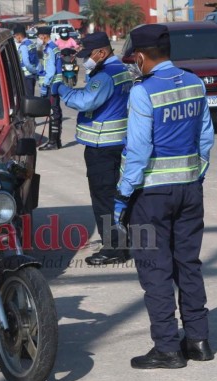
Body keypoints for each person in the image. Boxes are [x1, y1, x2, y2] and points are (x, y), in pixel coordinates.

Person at [116, 24, 215, 369]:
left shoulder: (143, 92)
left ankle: (168, 348)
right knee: (188, 264)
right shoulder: (194, 82)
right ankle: (199, 341)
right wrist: (196, 174)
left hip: (152, 195)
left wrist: (123, 194)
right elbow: (205, 137)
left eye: (135, 60)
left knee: (154, 269)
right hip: (190, 189)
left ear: (141, 57)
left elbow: (138, 152)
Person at [57, 32, 133, 265]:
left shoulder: (106, 75)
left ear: (101, 52)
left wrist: (60, 89)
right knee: (113, 196)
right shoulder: (118, 70)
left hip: (102, 145)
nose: (84, 60)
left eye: (88, 55)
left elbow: (85, 102)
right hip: (115, 142)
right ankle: (120, 242)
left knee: (104, 198)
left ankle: (113, 249)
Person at [36, 25, 63, 151]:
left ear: (44, 36)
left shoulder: (50, 49)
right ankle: (57, 140)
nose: (38, 38)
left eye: (39, 36)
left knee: (53, 112)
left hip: (52, 84)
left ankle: (53, 142)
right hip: (55, 83)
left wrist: (45, 84)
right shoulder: (52, 47)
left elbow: (51, 70)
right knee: (56, 111)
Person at [13, 25, 39, 97]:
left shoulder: (23, 46)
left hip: (27, 76)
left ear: (19, 36)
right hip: (32, 76)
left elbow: (26, 63)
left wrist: (32, 71)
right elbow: (37, 60)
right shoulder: (31, 43)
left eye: (15, 36)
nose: (15, 38)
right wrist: (36, 71)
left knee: (28, 98)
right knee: (31, 95)